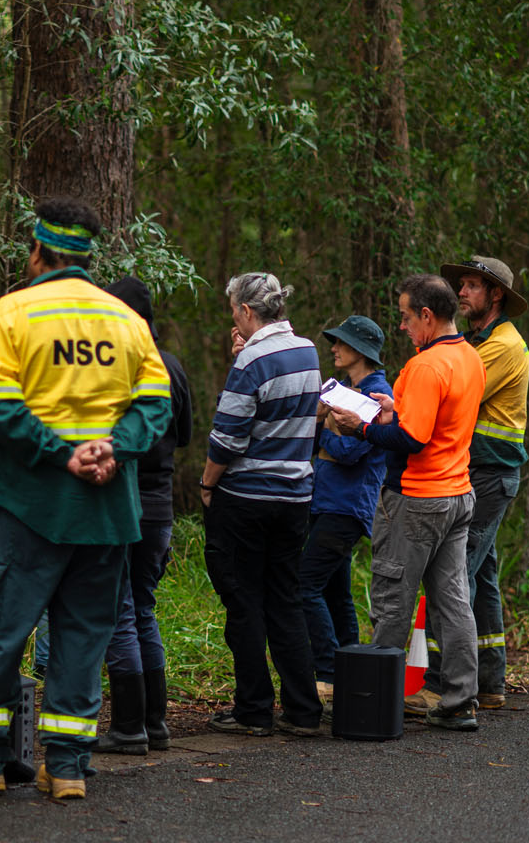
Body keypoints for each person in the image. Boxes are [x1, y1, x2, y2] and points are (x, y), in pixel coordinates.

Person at [0, 198, 171, 801]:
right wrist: (111, 448)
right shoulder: (126, 322)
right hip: (107, 513)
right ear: (88, 255)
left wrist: (62, 453)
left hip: (29, 509)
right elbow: (156, 406)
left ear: (36, 252)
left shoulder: (13, 313)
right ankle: (66, 768)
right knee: (85, 639)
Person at [330, 273, 485, 731]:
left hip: (417, 499)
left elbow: (410, 440)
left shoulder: (424, 365)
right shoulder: (469, 357)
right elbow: (436, 419)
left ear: (426, 315)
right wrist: (393, 408)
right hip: (457, 493)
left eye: (404, 317)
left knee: (393, 599)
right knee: (454, 601)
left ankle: (375, 706)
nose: (401, 327)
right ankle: (460, 700)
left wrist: (359, 427)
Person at [199, 272, 323, 737]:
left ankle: (253, 709)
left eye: (234, 310)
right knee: (285, 599)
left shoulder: (252, 359)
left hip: (247, 498)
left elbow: (228, 435)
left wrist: (208, 484)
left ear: (247, 312)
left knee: (245, 602)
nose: (233, 317)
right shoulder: (307, 351)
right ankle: (303, 710)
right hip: (295, 497)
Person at [406, 257, 529, 714]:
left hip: (489, 474)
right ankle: (490, 681)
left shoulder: (500, 346)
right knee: (482, 574)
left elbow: (454, 390)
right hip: (485, 472)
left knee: (452, 579)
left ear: (495, 295)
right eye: (462, 285)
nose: (462, 292)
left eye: (473, 286)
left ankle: (443, 687)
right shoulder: (481, 340)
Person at [92, 276, 192, 756]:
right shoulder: (171, 366)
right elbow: (187, 433)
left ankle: (129, 726)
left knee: (120, 615)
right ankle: (155, 724)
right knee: (142, 611)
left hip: (124, 504)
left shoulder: (120, 368)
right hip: (162, 508)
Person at [299, 316, 390, 701]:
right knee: (336, 593)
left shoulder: (374, 394)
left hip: (346, 508)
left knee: (304, 585)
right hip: (326, 501)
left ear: (360, 351)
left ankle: (329, 672)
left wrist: (322, 430)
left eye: (341, 343)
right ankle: (350, 672)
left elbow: (352, 451)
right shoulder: (346, 389)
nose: (333, 349)